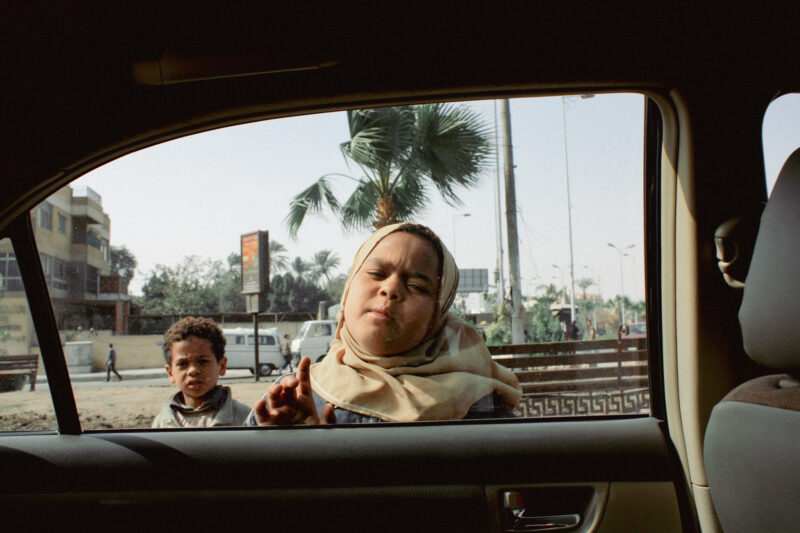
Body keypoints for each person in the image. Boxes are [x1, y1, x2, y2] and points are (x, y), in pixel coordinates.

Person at [247, 222, 522, 426]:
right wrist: (280, 450)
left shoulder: (477, 404)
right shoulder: (291, 395)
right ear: (348, 289)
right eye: (376, 273)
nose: (390, 289)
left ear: (437, 315)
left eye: (416, 285)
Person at [152, 316, 250, 428]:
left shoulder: (244, 418)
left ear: (222, 366)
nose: (193, 371)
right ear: (170, 373)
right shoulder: (162, 423)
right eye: (183, 364)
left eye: (203, 361)